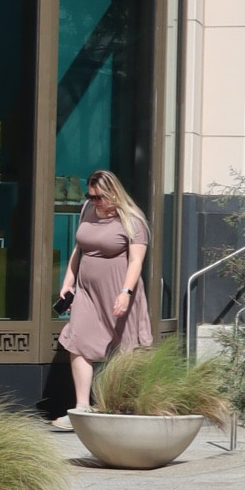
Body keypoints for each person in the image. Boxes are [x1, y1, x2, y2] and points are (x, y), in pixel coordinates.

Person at [56, 168, 152, 411]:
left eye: (99, 197)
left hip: (117, 290)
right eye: (90, 196)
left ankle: (125, 403)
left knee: (125, 347)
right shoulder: (87, 210)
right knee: (76, 339)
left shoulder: (133, 221)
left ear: (114, 194)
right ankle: (81, 406)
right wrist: (68, 281)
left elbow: (136, 261)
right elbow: (79, 248)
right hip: (87, 291)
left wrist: (125, 293)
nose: (94, 201)